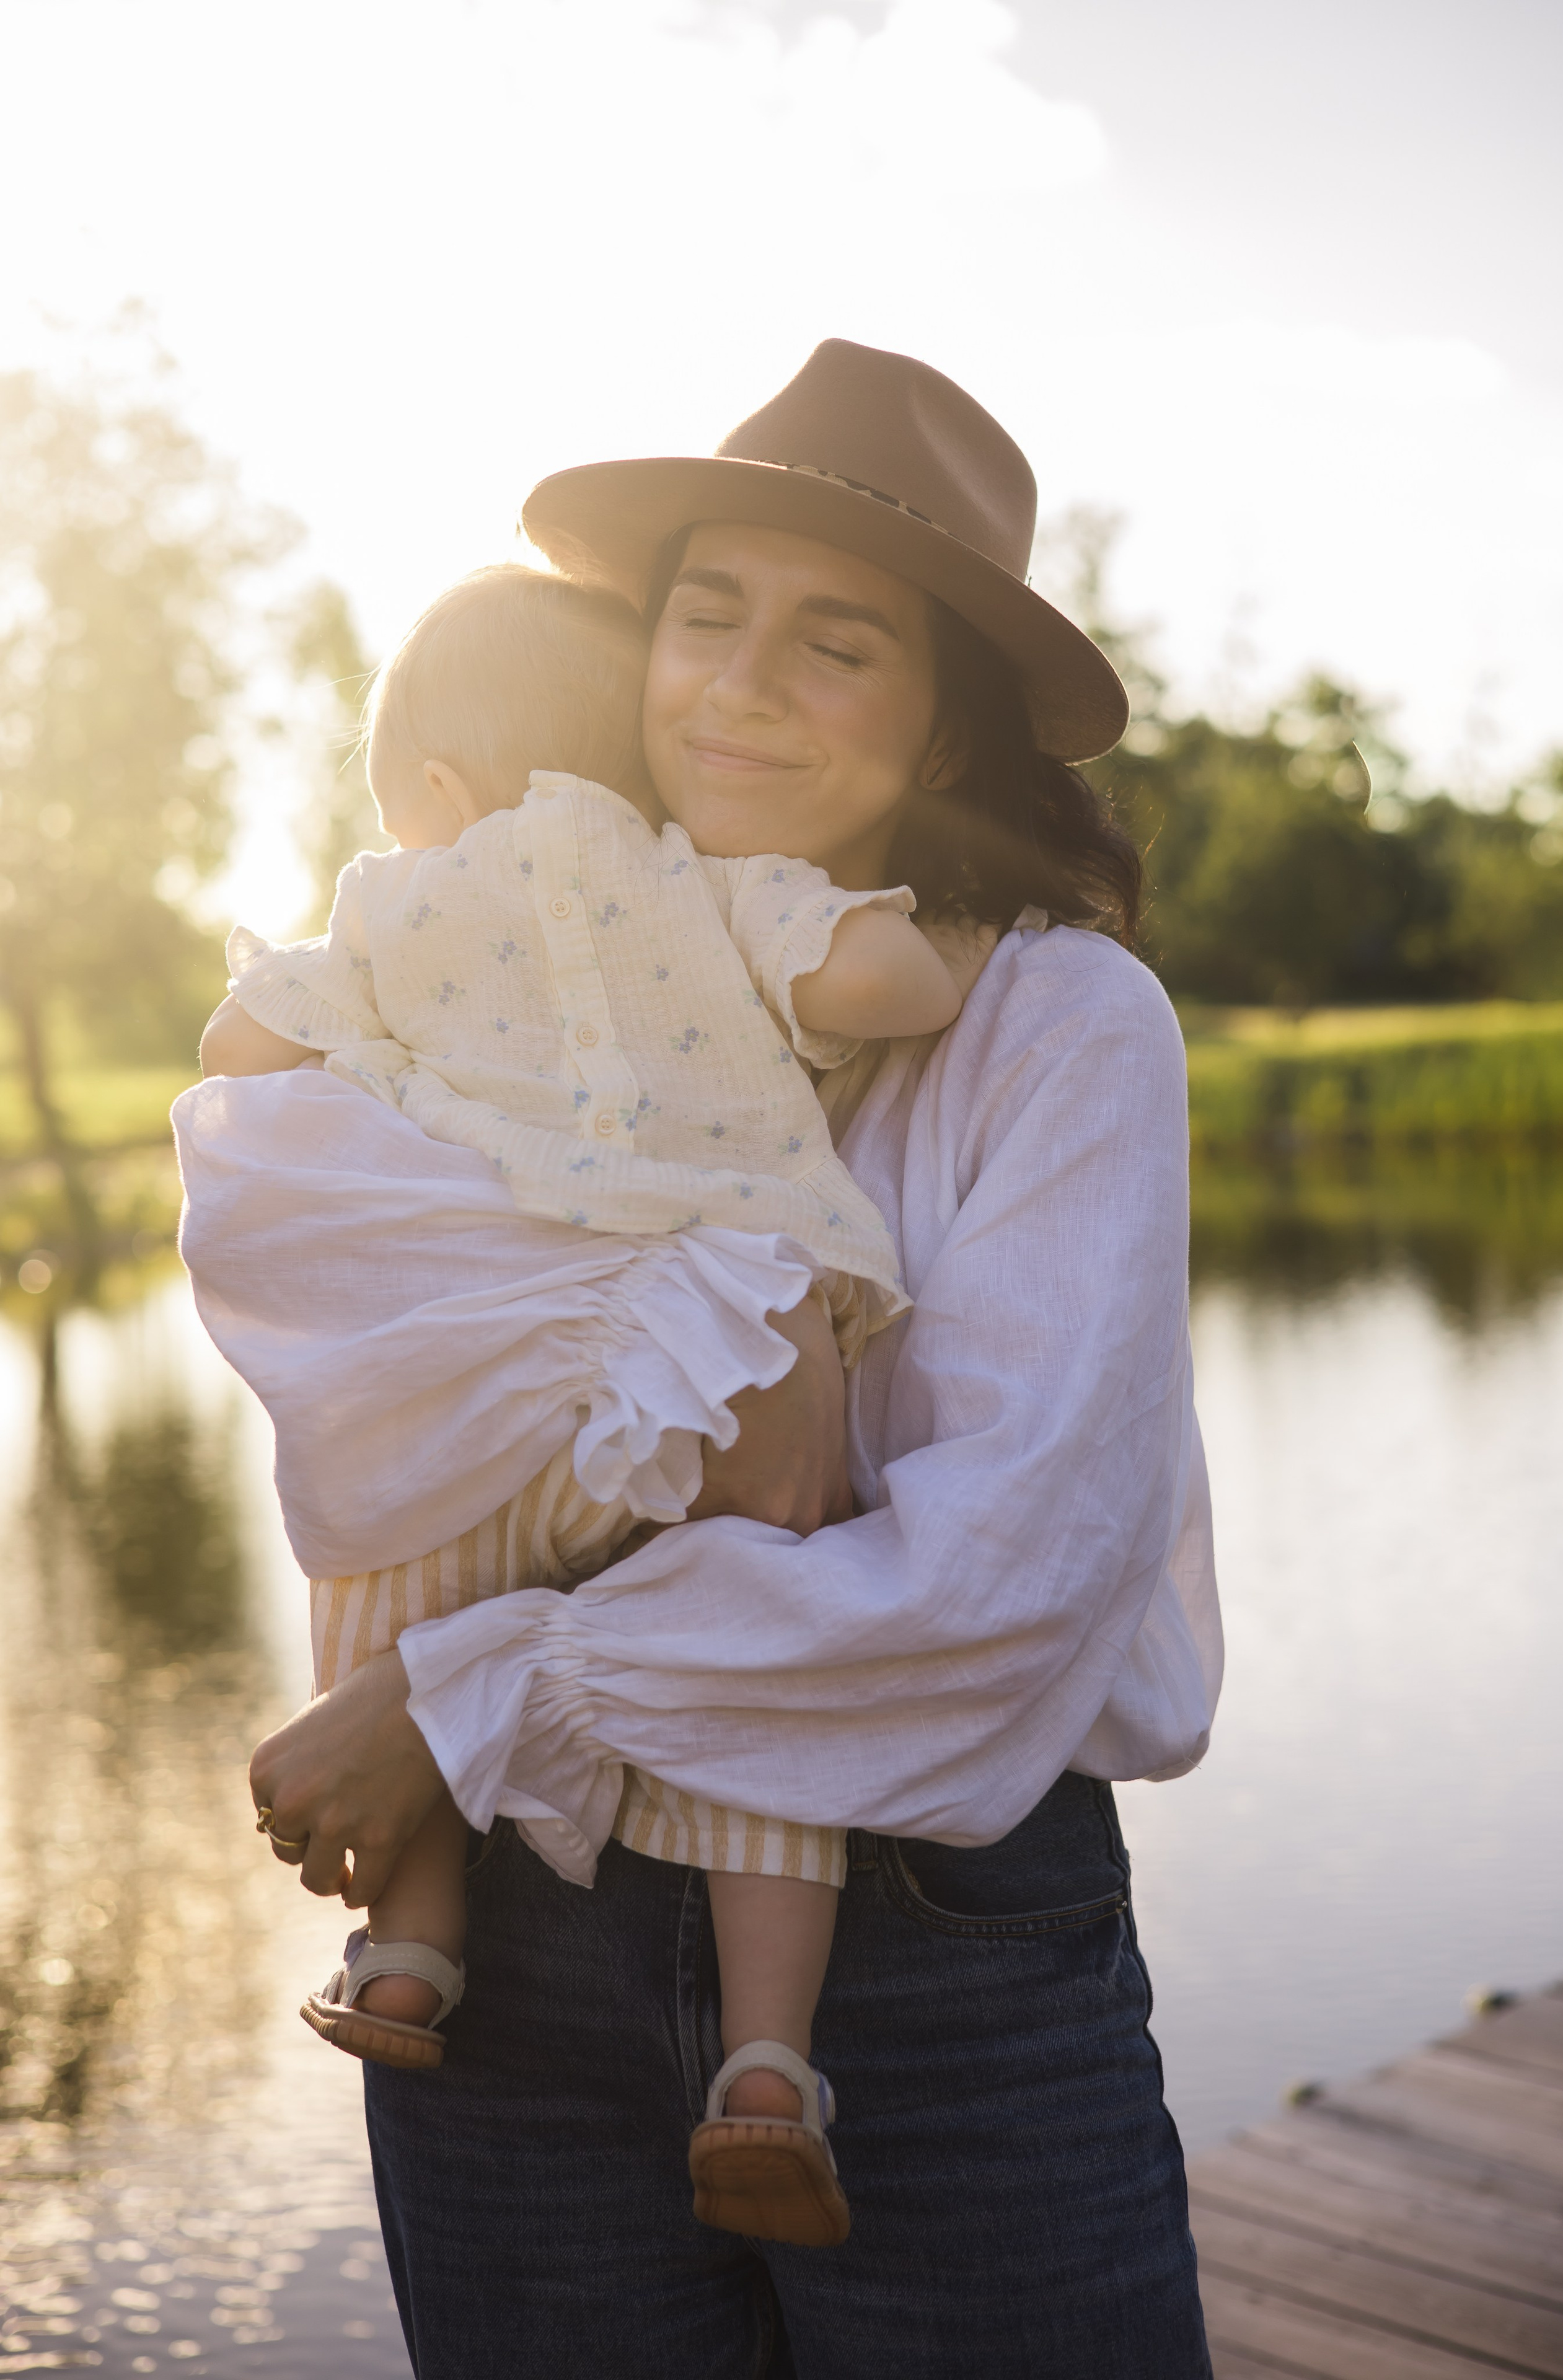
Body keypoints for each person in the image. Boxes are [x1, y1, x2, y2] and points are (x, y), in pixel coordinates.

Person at [249, 339, 1222, 2377]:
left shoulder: (1058, 1026)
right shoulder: (493, 950)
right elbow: (333, 1341)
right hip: (502, 1941)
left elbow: (1004, 1582)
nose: (742, 683)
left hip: (925, 1954)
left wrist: (462, 1688)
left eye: (837, 641)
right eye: (709, 613)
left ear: (944, 718)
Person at [182, 560, 996, 2246]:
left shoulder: (396, 906)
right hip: (727, 1351)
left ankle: (408, 1952)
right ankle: (768, 2070)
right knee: (764, 1687)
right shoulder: (706, 884)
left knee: (384, 1555)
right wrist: (943, 938)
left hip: (506, 1372)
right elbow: (892, 992)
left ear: (424, 787)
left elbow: (237, 1054)